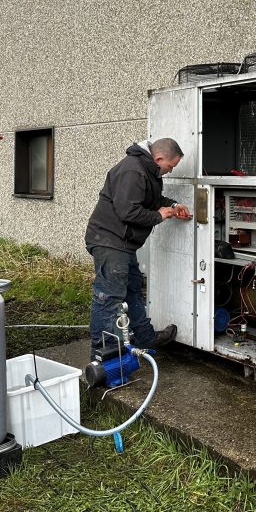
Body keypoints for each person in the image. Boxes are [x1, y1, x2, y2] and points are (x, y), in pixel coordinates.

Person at [85, 137, 191, 355]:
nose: (170, 171)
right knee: (109, 297)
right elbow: (128, 211)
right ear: (159, 158)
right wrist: (158, 216)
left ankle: (145, 338)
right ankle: (103, 354)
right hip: (109, 241)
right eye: (170, 166)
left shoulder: (146, 169)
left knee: (133, 289)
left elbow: (151, 199)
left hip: (122, 243)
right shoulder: (133, 170)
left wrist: (172, 205)